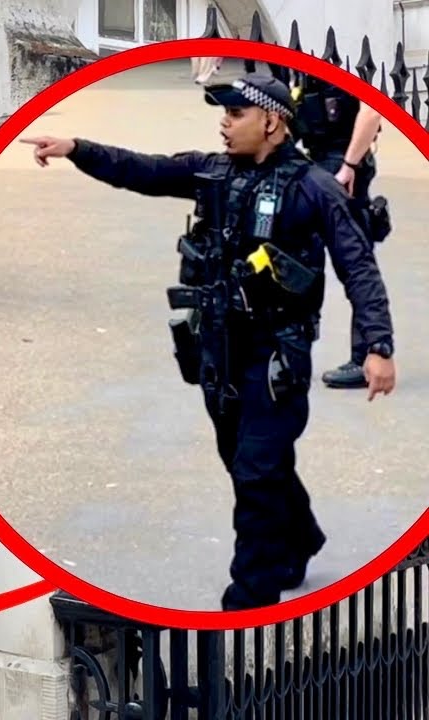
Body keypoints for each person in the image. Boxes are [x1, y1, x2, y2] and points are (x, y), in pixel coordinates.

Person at [20, 73, 397, 611]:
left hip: (277, 354)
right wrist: (78, 149)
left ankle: (252, 593)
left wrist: (377, 347)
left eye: (235, 114)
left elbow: (358, 266)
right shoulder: (213, 171)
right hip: (220, 347)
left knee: (257, 466)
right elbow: (142, 170)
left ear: (271, 121)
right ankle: (299, 537)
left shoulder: (313, 188)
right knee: (241, 456)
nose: (224, 124)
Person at [290, 76, 390, 389]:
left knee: (355, 263)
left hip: (343, 168)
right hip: (318, 162)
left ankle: (364, 359)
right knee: (304, 260)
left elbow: (372, 110)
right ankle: (294, 352)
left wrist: (349, 165)